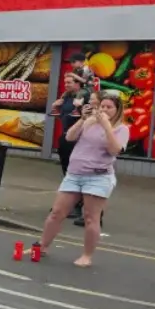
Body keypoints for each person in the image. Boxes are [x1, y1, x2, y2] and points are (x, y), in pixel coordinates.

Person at [38, 91, 128, 267]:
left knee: (90, 217)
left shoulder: (121, 129)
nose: (104, 110)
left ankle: (87, 256)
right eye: (102, 106)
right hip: (74, 174)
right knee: (57, 212)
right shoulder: (89, 122)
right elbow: (69, 137)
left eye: (109, 107)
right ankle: (42, 246)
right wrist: (82, 119)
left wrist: (106, 126)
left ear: (117, 110)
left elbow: (114, 150)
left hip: (98, 177)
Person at [50, 73, 88, 219]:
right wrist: (56, 107)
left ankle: (77, 207)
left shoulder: (85, 97)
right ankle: (67, 204)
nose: (66, 85)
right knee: (67, 173)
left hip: (79, 140)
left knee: (77, 173)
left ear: (78, 83)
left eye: (69, 82)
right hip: (66, 138)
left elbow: (88, 117)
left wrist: (80, 107)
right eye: (65, 82)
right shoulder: (66, 97)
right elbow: (64, 117)